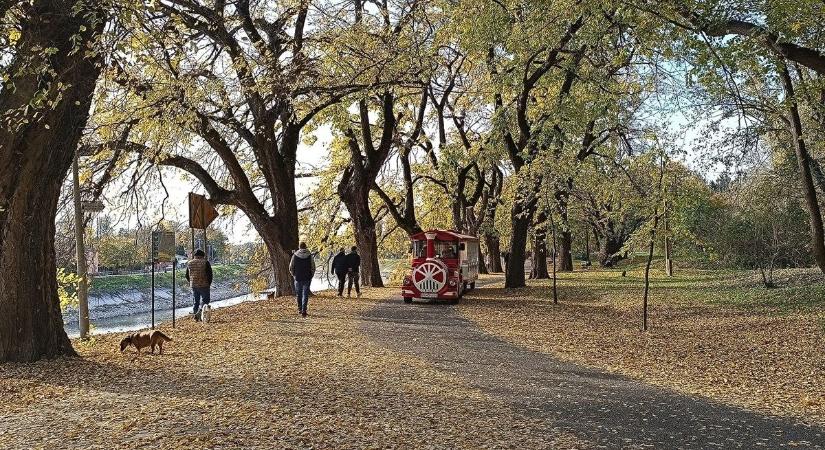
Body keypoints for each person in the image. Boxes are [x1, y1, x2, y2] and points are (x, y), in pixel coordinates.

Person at [185, 249, 213, 321]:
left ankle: (195, 316)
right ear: (202, 256)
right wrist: (209, 283)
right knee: (205, 300)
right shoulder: (205, 262)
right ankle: (200, 313)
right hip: (204, 285)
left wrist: (191, 281)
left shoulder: (189, 263)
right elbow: (210, 274)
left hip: (194, 285)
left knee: (196, 301)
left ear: (195, 256)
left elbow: (187, 275)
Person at [290, 242, 316, 317]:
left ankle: (300, 309)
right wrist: (311, 275)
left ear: (299, 247)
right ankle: (304, 310)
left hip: (298, 277)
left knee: (299, 294)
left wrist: (294, 275)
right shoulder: (309, 255)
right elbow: (313, 267)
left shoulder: (295, 255)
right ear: (306, 247)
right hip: (307, 277)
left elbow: (291, 267)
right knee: (305, 294)